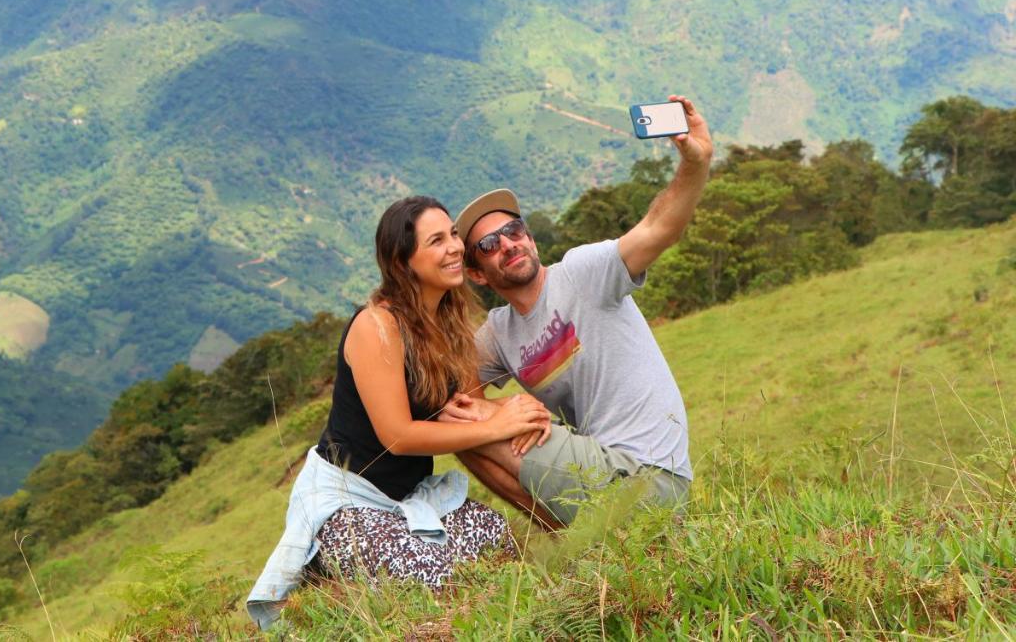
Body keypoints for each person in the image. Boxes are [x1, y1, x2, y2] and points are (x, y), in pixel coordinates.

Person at [247, 196, 552, 629]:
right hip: (349, 500)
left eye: (452, 235)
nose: (454, 247)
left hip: (408, 497)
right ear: (403, 262)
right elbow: (398, 436)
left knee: (499, 544)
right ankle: (325, 573)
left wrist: (516, 409)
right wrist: (498, 424)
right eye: (436, 241)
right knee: (433, 577)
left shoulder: (446, 318)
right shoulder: (377, 327)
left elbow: (465, 405)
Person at [441, 95, 713, 529]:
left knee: (472, 427)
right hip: (597, 472)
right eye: (489, 244)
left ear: (530, 238)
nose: (508, 243)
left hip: (649, 477)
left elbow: (660, 227)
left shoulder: (584, 273)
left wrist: (696, 163)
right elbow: (446, 393)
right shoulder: (498, 334)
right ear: (476, 273)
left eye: (513, 230)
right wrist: (502, 412)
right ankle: (573, 537)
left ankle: (580, 539)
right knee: (462, 431)